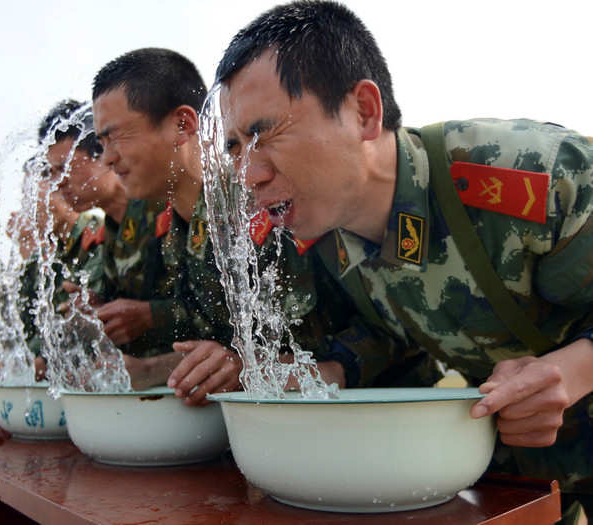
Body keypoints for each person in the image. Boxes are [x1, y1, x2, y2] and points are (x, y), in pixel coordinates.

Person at [215, 1, 592, 521]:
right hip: (513, 476)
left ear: (364, 112)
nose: (248, 173)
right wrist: (329, 370)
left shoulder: (527, 177)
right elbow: (398, 333)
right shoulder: (321, 234)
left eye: (269, 133)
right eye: (236, 146)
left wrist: (575, 369)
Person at [91, 48, 415, 403]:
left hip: (381, 416)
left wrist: (280, 368)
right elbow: (223, 349)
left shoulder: (275, 199)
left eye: (116, 137)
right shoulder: (179, 233)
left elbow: (390, 322)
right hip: (272, 424)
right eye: (101, 143)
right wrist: (152, 367)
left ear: (182, 124)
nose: (107, 158)